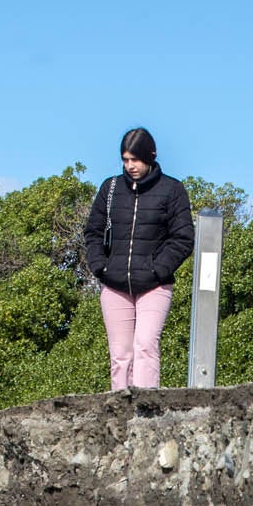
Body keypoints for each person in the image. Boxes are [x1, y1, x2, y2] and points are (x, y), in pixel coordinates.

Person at [84, 127, 194, 391]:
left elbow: (183, 238)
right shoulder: (110, 188)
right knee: (120, 355)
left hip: (155, 285)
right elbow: (93, 232)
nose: (130, 166)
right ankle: (119, 412)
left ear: (150, 156)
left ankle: (146, 409)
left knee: (145, 345)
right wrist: (101, 267)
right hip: (114, 283)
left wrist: (157, 270)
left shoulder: (172, 189)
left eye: (135, 159)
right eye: (125, 160)